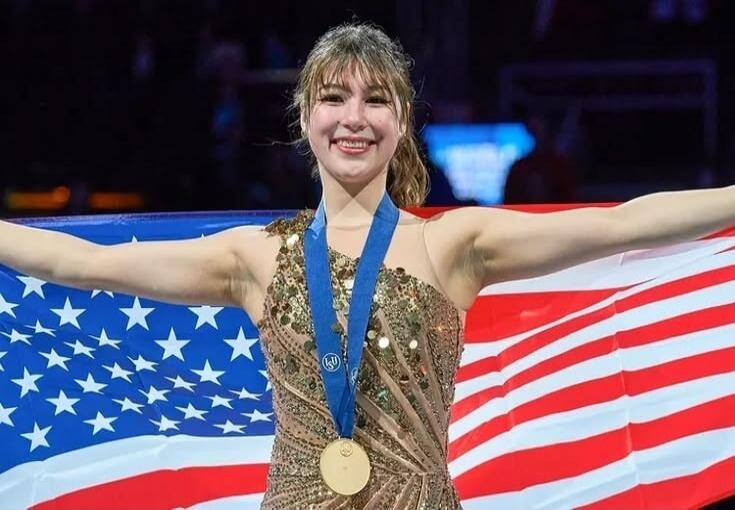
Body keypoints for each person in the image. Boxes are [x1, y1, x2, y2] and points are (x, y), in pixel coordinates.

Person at [1, 22, 734, 509]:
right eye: (333, 97)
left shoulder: (456, 243)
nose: (353, 117)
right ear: (304, 117)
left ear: (401, 120)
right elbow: (72, 261)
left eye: (375, 99)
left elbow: (624, 222)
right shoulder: (251, 257)